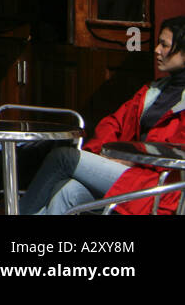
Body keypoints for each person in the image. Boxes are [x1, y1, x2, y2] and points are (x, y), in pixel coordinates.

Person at [21, 16, 185, 215]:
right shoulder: (153, 90)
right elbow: (114, 122)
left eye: (165, 45)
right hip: (129, 175)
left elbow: (173, 153)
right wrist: (102, 155)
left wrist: (131, 160)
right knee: (68, 191)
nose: (157, 50)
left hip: (161, 186)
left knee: (63, 157)